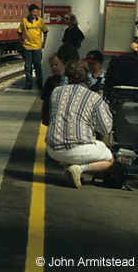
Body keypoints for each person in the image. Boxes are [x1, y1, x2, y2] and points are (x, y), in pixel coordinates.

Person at [45, 60, 114, 188]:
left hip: (52, 149)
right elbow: (106, 128)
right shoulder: (93, 97)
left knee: (70, 147)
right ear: (86, 77)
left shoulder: (56, 92)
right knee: (109, 158)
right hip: (77, 149)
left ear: (67, 76)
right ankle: (80, 168)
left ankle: (69, 169)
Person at [18, 4, 48, 90]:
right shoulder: (24, 21)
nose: (35, 14)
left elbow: (45, 32)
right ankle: (28, 83)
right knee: (28, 66)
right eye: (34, 12)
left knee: (38, 66)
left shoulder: (40, 21)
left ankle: (39, 83)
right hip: (27, 47)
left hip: (37, 47)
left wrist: (44, 42)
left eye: (37, 12)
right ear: (29, 12)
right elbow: (19, 32)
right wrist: (21, 43)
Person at [40, 53, 66, 125]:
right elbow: (45, 98)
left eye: (56, 65)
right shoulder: (50, 81)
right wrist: (42, 112)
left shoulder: (67, 80)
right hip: (50, 112)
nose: (54, 67)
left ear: (63, 64)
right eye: (51, 66)